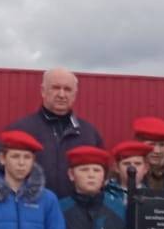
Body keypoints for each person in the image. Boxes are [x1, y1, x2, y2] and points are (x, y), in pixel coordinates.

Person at [6, 68, 104, 199]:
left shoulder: (90, 134)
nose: (62, 94)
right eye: (56, 88)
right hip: (32, 211)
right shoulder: (21, 130)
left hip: (75, 214)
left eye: (67, 89)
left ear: (75, 95)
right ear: (43, 91)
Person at [131, 117, 164, 192]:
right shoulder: (125, 168)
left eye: (162, 145)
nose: (157, 151)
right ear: (138, 144)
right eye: (151, 145)